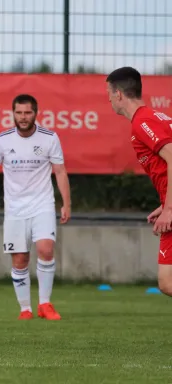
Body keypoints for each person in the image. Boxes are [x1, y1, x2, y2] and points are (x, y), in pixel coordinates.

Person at [0, 94, 71, 320]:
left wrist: (66, 204)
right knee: (20, 259)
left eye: (27, 112)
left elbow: (60, 171)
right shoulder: (2, 139)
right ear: (13, 114)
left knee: (46, 249)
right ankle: (25, 308)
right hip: (15, 209)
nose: (23, 117)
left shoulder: (49, 138)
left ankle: (45, 304)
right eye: (19, 113)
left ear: (35, 113)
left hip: (43, 204)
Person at [106, 66, 172, 297]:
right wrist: (164, 204)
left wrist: (169, 209)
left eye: (109, 94)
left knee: (167, 281)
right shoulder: (156, 117)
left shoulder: (143, 122)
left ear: (119, 94)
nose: (110, 100)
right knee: (166, 281)